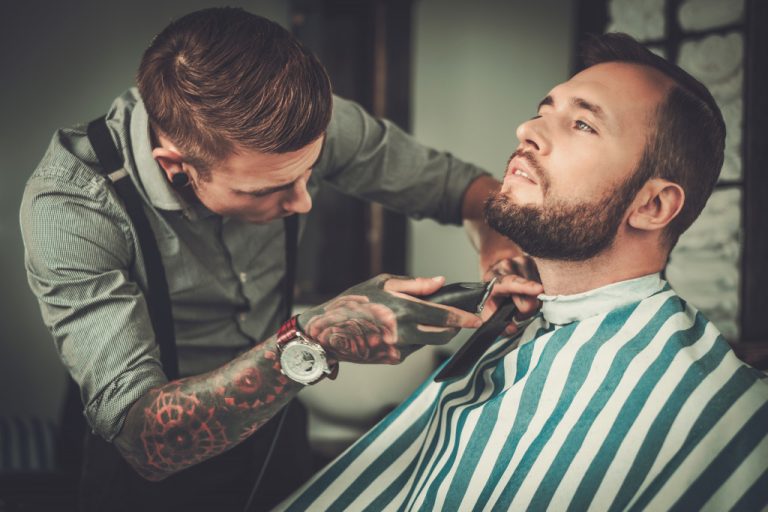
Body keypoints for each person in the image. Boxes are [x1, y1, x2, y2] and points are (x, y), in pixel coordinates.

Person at [18, 7, 542, 511]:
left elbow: (469, 192)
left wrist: (497, 248)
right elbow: (145, 441)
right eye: (267, 190)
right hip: (148, 469)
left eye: (309, 172)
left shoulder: (305, 126)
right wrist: (310, 342)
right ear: (176, 167)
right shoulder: (72, 205)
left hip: (279, 436)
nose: (302, 202)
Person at [276, 33, 768, 511]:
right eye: (544, 110)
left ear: (654, 204)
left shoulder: (714, 408)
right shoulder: (511, 324)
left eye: (583, 125)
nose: (527, 130)